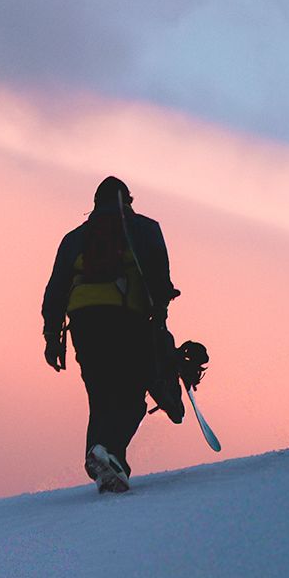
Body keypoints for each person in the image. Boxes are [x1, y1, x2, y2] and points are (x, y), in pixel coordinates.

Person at [41, 176, 181, 494]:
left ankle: (104, 461)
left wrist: (52, 336)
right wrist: (159, 317)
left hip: (83, 320)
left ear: (94, 204)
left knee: (101, 394)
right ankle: (109, 454)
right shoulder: (145, 228)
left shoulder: (75, 238)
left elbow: (56, 289)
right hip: (126, 318)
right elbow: (160, 277)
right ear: (128, 200)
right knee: (131, 397)